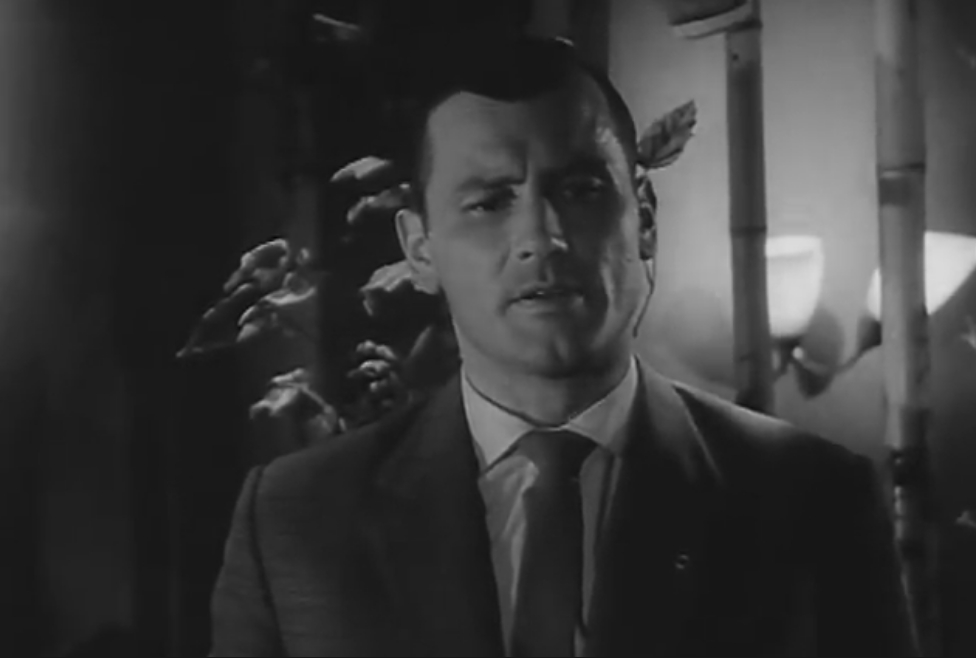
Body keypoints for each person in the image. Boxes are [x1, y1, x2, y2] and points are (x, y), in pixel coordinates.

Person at [209, 34, 917, 657]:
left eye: (579, 189)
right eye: (490, 201)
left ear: (643, 218)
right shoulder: (296, 521)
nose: (541, 237)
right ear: (420, 249)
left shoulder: (811, 503)